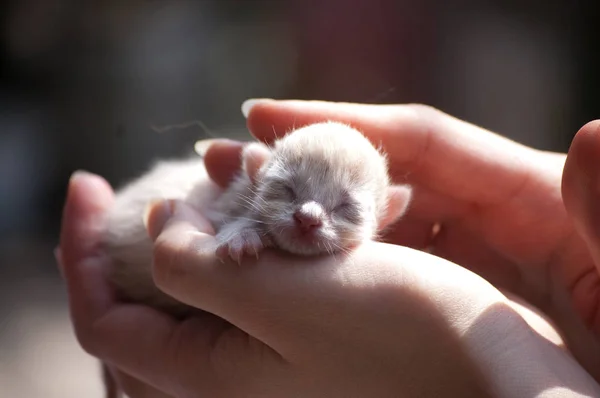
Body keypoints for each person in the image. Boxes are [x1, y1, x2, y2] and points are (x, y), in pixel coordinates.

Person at [57, 100, 600, 397]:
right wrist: (236, 234)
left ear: (387, 216)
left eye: (345, 210)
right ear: (256, 172)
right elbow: (214, 224)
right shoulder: (239, 191)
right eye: (287, 189)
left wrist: (496, 358)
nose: (310, 214)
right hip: (130, 267)